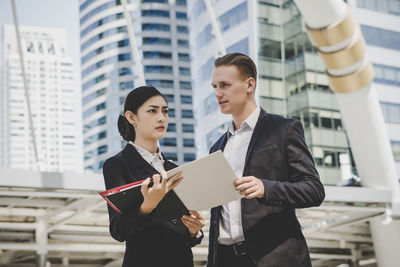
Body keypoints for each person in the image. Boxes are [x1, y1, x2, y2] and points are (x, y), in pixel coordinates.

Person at [207, 53, 325, 267]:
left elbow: (314, 190)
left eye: (224, 85)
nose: (217, 93)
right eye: (214, 86)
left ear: (249, 84)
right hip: (225, 260)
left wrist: (266, 188)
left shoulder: (283, 130)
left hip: (274, 258)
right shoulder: (217, 148)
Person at [102, 86, 205, 267]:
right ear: (131, 117)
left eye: (165, 111)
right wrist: (147, 206)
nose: (161, 118)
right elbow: (118, 230)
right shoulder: (117, 165)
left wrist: (193, 231)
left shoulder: (175, 169)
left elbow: (185, 238)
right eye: (152, 111)